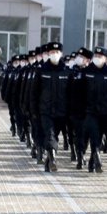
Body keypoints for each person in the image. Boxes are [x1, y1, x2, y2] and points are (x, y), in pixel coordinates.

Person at [35, 42, 69, 172]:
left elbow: (70, 93)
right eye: (52, 53)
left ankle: (49, 161)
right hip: (45, 110)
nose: (54, 55)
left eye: (57, 52)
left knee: (55, 136)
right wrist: (34, 110)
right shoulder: (42, 70)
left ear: (61, 54)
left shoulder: (66, 71)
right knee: (49, 134)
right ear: (48, 54)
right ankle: (53, 158)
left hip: (61, 111)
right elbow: (35, 92)